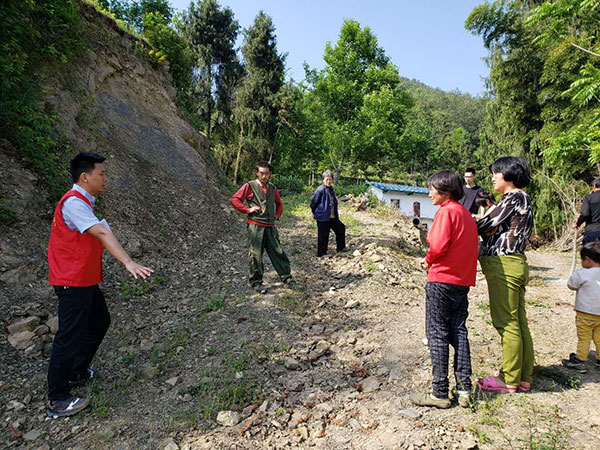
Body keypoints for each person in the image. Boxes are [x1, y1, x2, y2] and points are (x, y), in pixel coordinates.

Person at [47, 152, 153, 417]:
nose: (106, 178)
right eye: (102, 173)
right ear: (85, 176)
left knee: (99, 321)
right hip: (71, 281)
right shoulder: (73, 203)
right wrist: (128, 262)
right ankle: (58, 397)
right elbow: (103, 233)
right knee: (69, 335)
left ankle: (76, 371)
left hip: (83, 280)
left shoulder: (84, 201)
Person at [411, 170, 478, 409]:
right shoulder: (466, 215)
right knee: (459, 332)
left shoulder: (446, 212)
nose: (429, 193)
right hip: (462, 281)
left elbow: (438, 246)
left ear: (445, 191)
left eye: (432, 189)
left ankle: (439, 392)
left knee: (437, 333)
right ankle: (464, 389)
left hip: (442, 280)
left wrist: (427, 259)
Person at [476, 156, 534, 393]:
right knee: (518, 322)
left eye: (496, 173)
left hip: (504, 265)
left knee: (506, 322)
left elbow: (484, 225)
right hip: (515, 263)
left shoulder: (513, 197)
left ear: (508, 175)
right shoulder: (522, 199)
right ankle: (523, 376)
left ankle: (508, 379)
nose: (492, 178)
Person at [230, 161, 292, 291]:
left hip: (270, 225)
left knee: (277, 251)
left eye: (267, 173)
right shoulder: (250, 186)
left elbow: (279, 204)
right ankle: (256, 282)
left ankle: (286, 276)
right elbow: (234, 200)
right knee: (256, 254)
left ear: (270, 174)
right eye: (262, 173)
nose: (264, 176)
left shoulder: (272, 188)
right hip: (256, 226)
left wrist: (277, 215)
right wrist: (248, 209)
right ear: (257, 173)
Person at [561, 242, 600, 372]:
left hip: (585, 313)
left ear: (587, 259)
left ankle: (580, 360)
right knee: (599, 337)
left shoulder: (582, 273)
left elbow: (571, 285)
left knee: (584, 337)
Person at [310, 170, 347, 257]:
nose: (329, 181)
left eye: (330, 179)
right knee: (323, 235)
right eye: (327, 179)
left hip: (332, 216)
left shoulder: (331, 189)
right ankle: (321, 253)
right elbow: (313, 203)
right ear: (323, 180)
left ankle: (341, 248)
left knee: (341, 228)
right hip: (322, 217)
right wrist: (314, 212)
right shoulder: (320, 190)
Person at [574, 178, 600, 244]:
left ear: (594, 185)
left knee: (589, 253)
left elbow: (585, 214)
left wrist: (577, 224)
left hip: (593, 231)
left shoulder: (588, 198)